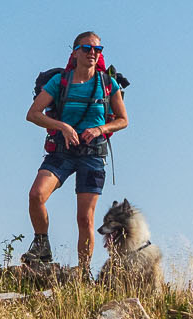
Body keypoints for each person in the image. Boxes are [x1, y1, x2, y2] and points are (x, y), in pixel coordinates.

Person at [23, 31, 127, 273]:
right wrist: (63, 127)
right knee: (36, 195)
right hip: (63, 150)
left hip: (93, 154)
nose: (93, 53)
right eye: (87, 48)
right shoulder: (60, 82)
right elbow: (33, 113)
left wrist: (101, 128)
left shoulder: (107, 84)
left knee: (85, 219)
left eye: (97, 50)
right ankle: (42, 244)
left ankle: (83, 272)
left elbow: (123, 120)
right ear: (75, 52)